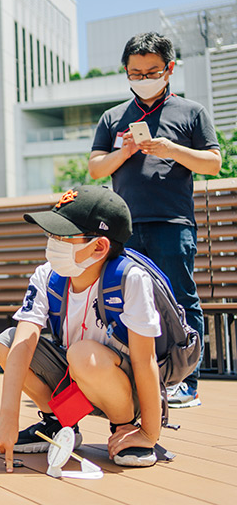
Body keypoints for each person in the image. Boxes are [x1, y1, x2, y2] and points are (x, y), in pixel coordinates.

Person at [0, 186, 164, 471]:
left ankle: (124, 427)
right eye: (52, 234)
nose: (52, 243)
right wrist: (9, 415)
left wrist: (149, 433)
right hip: (75, 377)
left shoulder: (130, 279)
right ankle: (58, 423)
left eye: (63, 236)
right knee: (8, 343)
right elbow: (24, 339)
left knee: (83, 354)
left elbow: (146, 361)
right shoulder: (47, 275)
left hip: (122, 386)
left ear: (99, 246)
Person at [88, 32, 221, 408]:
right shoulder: (113, 117)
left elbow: (213, 162)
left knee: (181, 298)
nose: (143, 77)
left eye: (151, 71)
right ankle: (133, 376)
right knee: (124, 299)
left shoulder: (191, 112)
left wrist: (171, 149)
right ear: (126, 72)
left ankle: (186, 381)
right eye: (135, 72)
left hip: (172, 222)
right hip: (124, 227)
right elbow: (96, 167)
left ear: (169, 69)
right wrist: (125, 150)